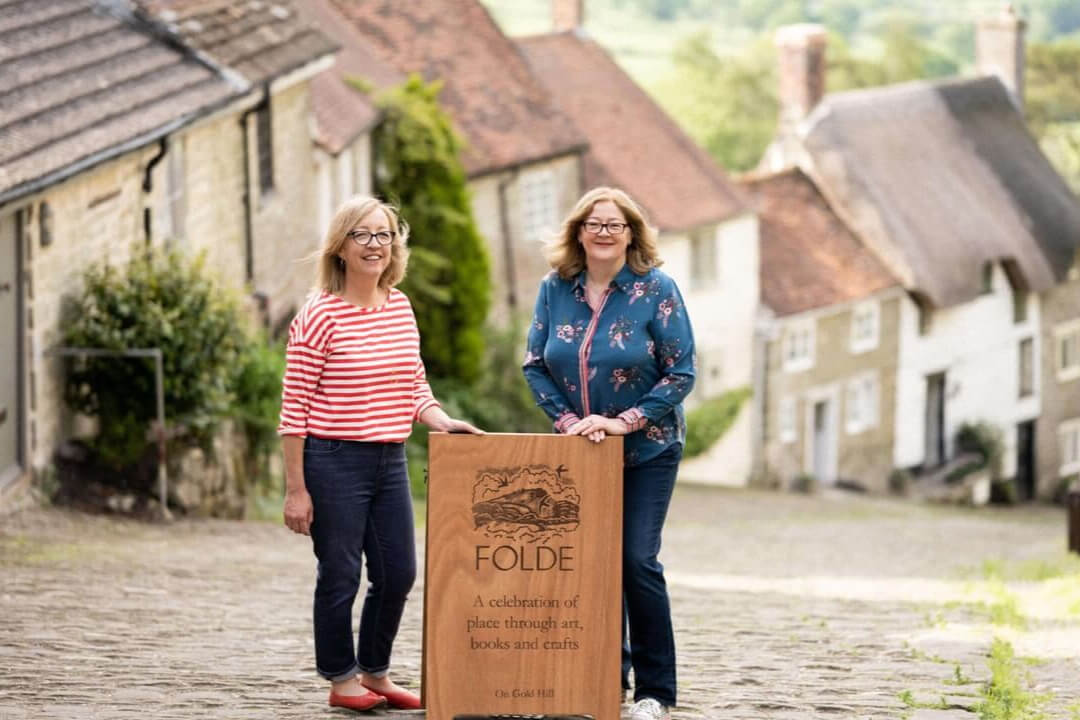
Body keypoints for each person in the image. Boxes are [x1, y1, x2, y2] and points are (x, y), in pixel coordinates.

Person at [278, 196, 481, 712]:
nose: (375, 245)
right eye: (363, 235)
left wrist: (439, 418)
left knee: (398, 572)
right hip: (333, 460)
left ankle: (374, 672)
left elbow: (413, 382)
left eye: (385, 235)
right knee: (341, 572)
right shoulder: (318, 316)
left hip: (390, 460)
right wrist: (296, 489)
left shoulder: (400, 305)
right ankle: (341, 680)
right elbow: (293, 409)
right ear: (341, 247)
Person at [522, 187, 695, 720]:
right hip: (579, 455)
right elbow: (535, 362)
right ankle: (599, 678)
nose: (603, 232)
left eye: (614, 225)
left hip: (647, 449)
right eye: (593, 224)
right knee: (587, 565)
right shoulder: (555, 289)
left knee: (635, 561)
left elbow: (681, 372)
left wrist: (624, 423)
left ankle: (655, 691)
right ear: (578, 232)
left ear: (631, 235)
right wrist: (570, 422)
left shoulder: (656, 290)